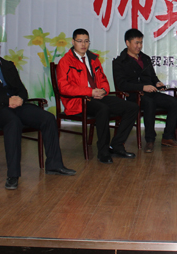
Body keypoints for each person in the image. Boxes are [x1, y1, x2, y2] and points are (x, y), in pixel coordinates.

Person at [0, 28, 76, 190]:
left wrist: (20, 99)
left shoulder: (8, 65)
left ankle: (54, 165)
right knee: (13, 122)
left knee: (48, 118)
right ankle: (13, 175)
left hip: (16, 106)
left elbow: (21, 89)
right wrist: (6, 100)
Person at [56, 28, 138, 164]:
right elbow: (64, 88)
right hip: (79, 100)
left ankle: (116, 145)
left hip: (97, 96)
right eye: (80, 41)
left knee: (132, 107)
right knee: (103, 109)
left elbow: (103, 80)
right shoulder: (65, 61)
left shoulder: (93, 59)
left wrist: (103, 90)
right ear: (73, 42)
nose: (83, 44)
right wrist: (90, 92)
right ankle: (103, 151)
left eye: (86, 41)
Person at [112, 29, 177, 153]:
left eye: (141, 43)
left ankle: (167, 137)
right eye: (136, 43)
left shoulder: (145, 58)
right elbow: (122, 84)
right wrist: (142, 87)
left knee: (174, 103)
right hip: (134, 95)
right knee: (149, 102)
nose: (139, 46)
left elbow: (153, 77)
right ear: (127, 43)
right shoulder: (120, 62)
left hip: (151, 92)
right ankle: (150, 139)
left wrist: (157, 83)